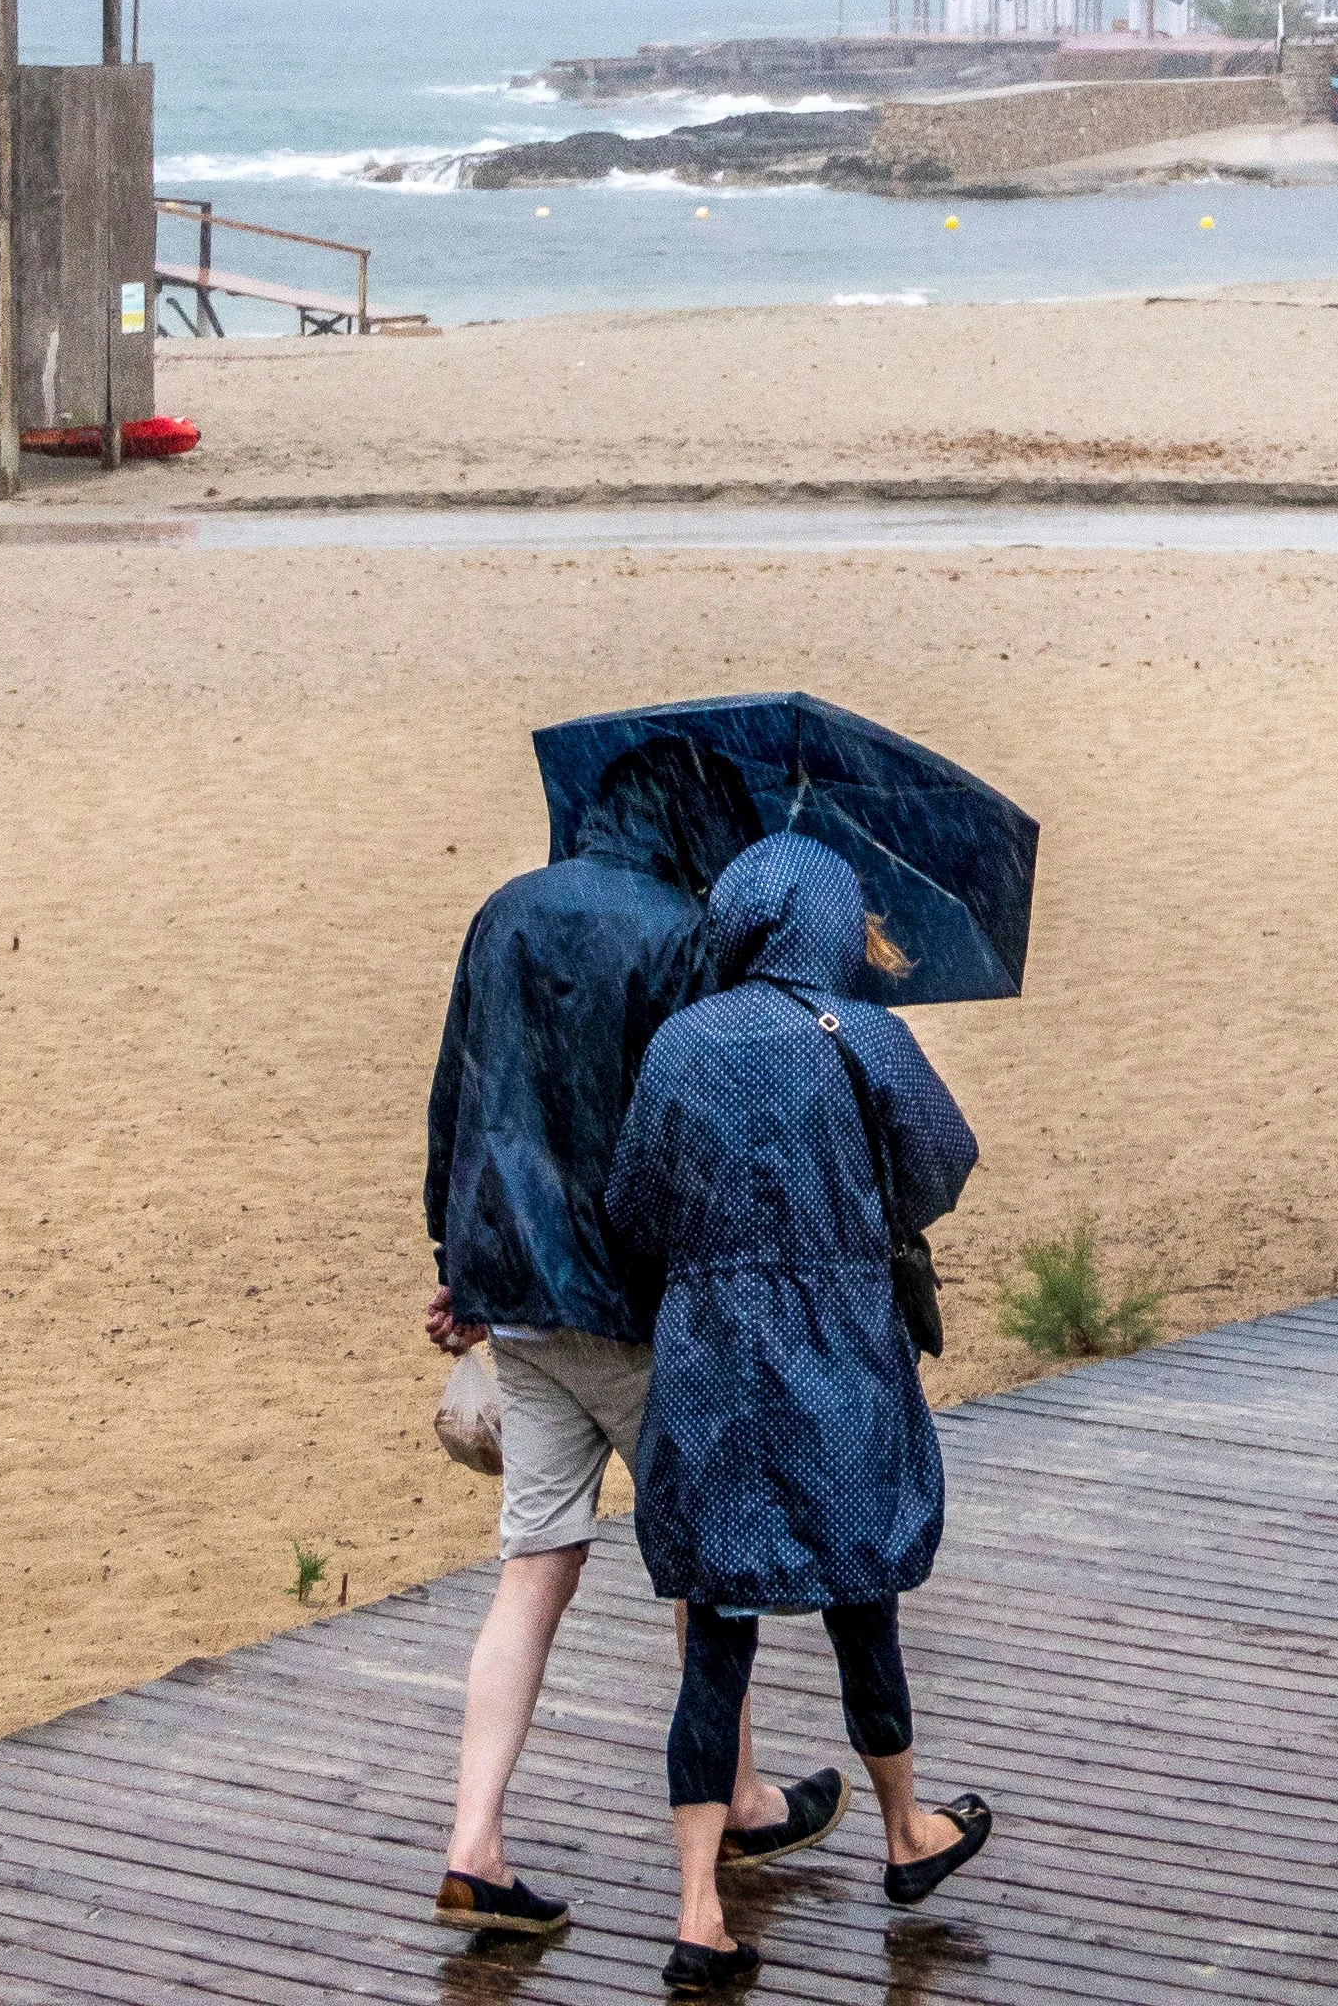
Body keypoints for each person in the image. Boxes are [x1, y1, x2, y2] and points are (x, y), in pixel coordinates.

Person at [421, 739, 834, 1935]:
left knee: (533, 1567)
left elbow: (457, 1096)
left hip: (522, 1302)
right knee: (707, 1568)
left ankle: (473, 1840)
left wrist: (454, 1265)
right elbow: (699, 1124)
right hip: (643, 1310)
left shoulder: (503, 912)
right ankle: (741, 1804)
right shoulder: (681, 933)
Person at [603, 834, 995, 1993]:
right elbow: (943, 1166)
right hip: (837, 1349)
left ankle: (694, 1911)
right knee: (858, 1593)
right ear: (828, 922)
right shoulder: (862, 1033)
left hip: (713, 1357)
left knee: (715, 1628)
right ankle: (906, 1830)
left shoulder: (680, 1041)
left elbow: (632, 1202)